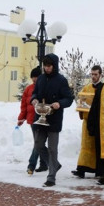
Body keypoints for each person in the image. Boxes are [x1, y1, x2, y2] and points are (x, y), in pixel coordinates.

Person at [31, 53, 74, 187]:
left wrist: (59, 103)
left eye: (49, 66)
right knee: (38, 144)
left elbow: (69, 98)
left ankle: (51, 177)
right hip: (40, 117)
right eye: (45, 66)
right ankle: (54, 164)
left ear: (54, 66)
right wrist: (34, 99)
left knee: (52, 148)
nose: (47, 68)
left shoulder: (61, 80)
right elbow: (35, 93)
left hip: (54, 118)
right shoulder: (41, 79)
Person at [72, 65, 103, 178]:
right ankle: (81, 169)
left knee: (97, 145)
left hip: (98, 122)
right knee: (85, 145)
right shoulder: (87, 88)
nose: (93, 77)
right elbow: (81, 102)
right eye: (92, 74)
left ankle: (98, 170)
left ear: (100, 75)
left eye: (96, 74)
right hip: (87, 121)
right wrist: (81, 111)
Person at [17, 67, 48, 175]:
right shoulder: (28, 89)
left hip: (42, 119)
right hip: (31, 120)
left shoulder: (44, 87)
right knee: (38, 142)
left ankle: (31, 165)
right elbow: (24, 105)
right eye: (33, 78)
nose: (34, 80)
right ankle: (44, 164)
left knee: (38, 143)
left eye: (36, 77)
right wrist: (21, 118)